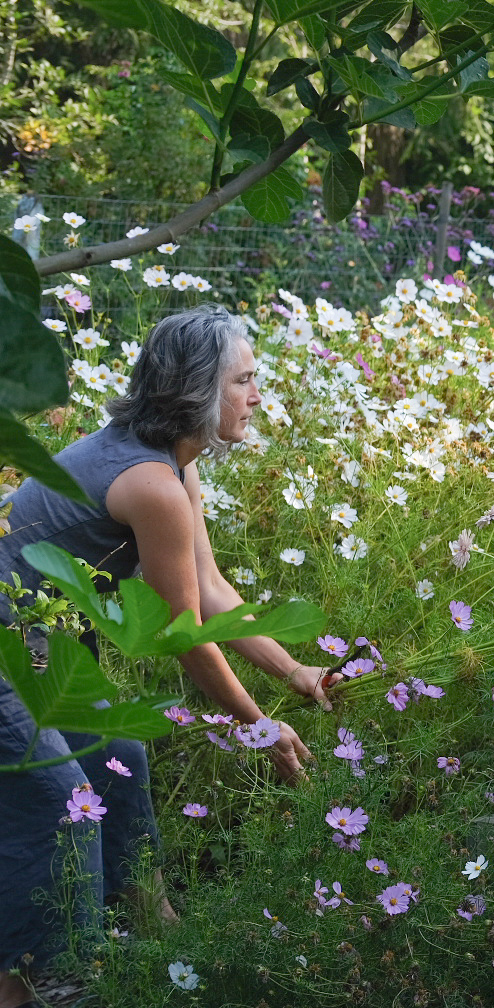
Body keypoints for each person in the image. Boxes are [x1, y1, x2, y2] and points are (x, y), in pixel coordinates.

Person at [0, 304, 334, 1008]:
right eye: (243, 381)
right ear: (197, 390)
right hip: (10, 646)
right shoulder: (151, 484)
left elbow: (211, 592)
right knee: (61, 806)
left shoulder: (173, 466)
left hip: (41, 642)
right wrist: (259, 725)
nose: (257, 396)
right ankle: (47, 983)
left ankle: (156, 930)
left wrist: (294, 672)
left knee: (122, 749)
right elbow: (186, 639)